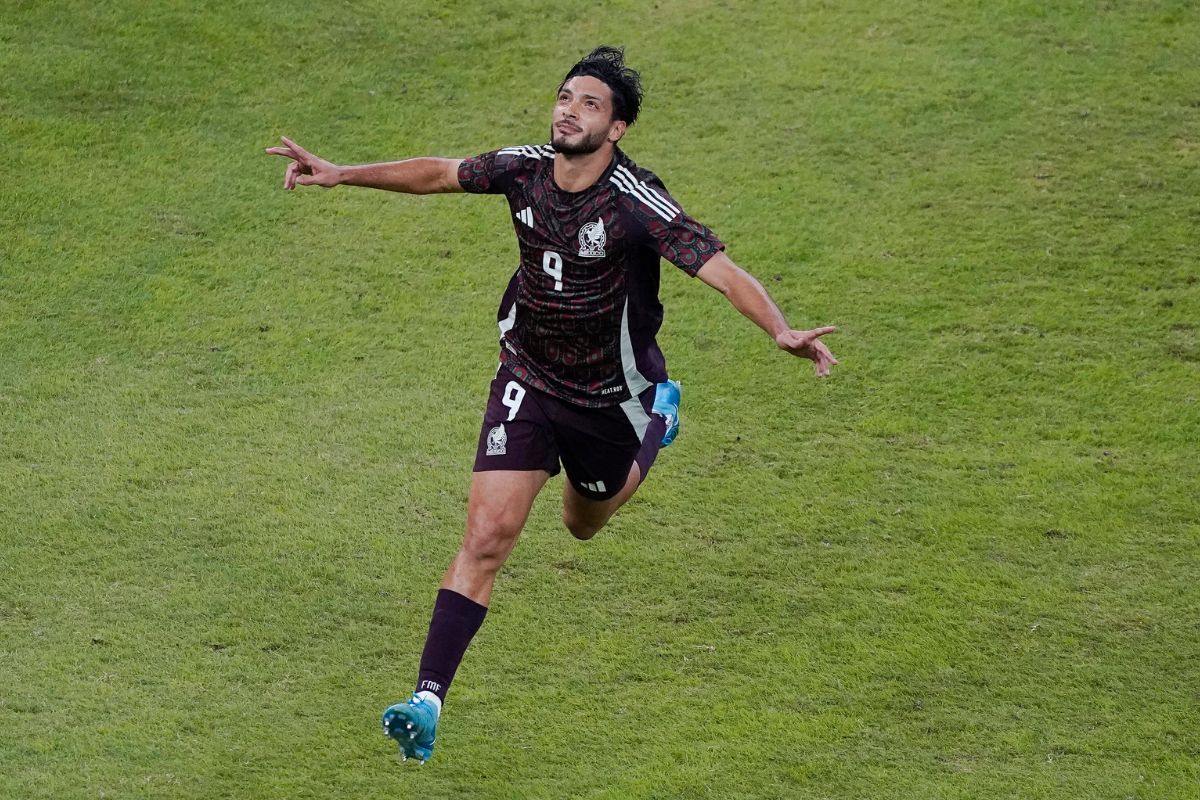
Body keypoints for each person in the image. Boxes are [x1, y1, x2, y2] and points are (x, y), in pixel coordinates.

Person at [266, 45, 838, 764]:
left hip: (609, 400)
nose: (570, 110)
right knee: (486, 538)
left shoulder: (637, 201)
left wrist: (780, 329)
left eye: (590, 103)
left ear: (618, 128)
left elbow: (719, 269)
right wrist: (343, 174)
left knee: (582, 522)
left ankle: (662, 414)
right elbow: (442, 173)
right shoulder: (525, 167)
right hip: (528, 377)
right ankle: (427, 700)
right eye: (566, 97)